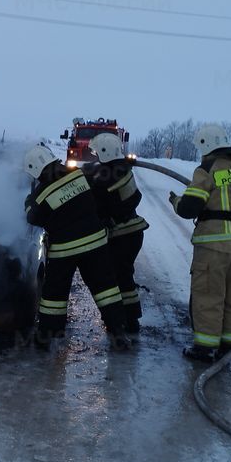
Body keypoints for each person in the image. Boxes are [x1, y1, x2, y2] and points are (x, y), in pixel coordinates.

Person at [168, 124, 231, 362]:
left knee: (209, 295)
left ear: (205, 145)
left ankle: (205, 348)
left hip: (214, 246)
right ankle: (230, 342)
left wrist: (176, 201)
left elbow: (190, 208)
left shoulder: (207, 169)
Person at [23, 145, 130, 349]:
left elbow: (33, 217)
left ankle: (46, 337)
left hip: (65, 250)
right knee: (106, 288)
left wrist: (29, 201)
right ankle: (118, 333)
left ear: (36, 170)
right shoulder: (79, 175)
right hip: (96, 243)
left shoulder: (42, 193)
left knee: (54, 293)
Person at [85, 133, 149, 334]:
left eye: (96, 153)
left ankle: (125, 322)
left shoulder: (110, 174)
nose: (94, 157)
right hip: (131, 233)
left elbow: (95, 194)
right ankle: (130, 320)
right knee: (124, 276)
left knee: (118, 277)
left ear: (104, 153)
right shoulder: (120, 168)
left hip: (122, 235)